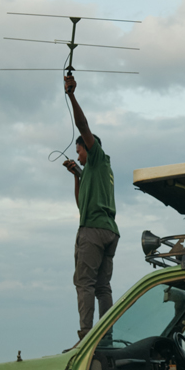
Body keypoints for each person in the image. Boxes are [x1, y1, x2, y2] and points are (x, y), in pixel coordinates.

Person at [61, 73, 120, 341]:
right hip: (109, 232)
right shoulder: (98, 171)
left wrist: (71, 95)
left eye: (79, 151)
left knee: (83, 283)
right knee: (102, 287)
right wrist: (77, 175)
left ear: (89, 147)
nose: (78, 156)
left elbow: (82, 124)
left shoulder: (96, 157)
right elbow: (81, 206)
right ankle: (106, 336)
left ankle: (86, 337)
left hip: (93, 232)